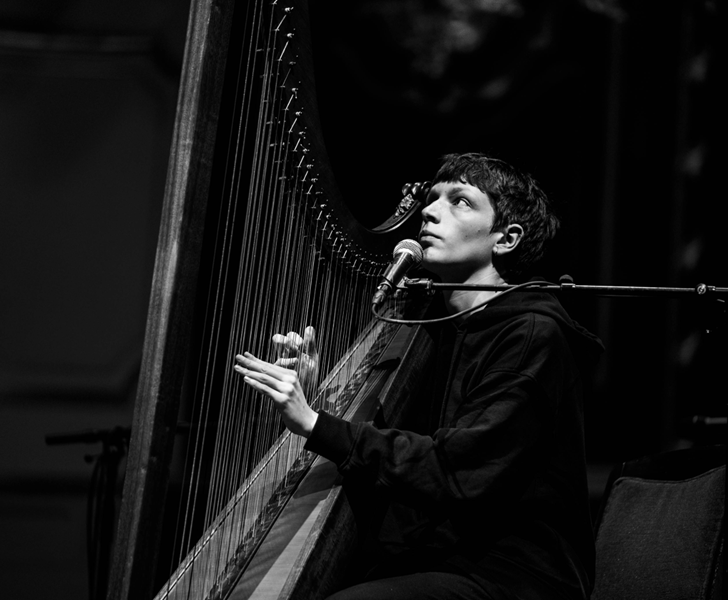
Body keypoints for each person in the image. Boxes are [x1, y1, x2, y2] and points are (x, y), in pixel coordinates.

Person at [234, 152, 603, 599]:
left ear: (506, 239)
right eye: (432, 198)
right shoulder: (431, 327)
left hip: (515, 575)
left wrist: (315, 424)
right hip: (438, 560)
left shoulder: (531, 335)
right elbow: (399, 465)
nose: (429, 210)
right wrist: (321, 403)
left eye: (460, 201)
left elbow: (456, 472)